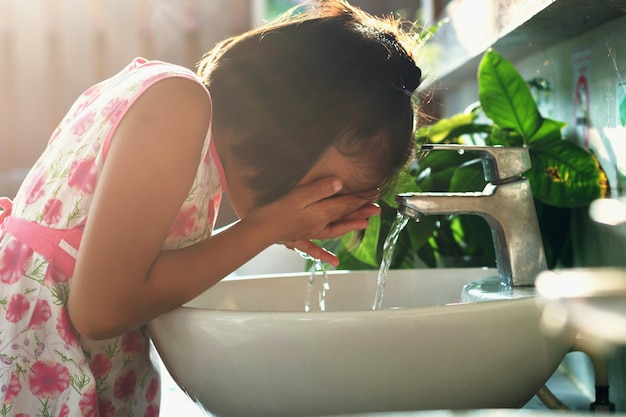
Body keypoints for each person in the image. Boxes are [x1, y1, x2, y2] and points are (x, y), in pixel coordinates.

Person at [0, 0, 422, 415]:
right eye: (330, 189)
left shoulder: (190, 131)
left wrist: (268, 227)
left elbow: (136, 273)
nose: (324, 209)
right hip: (33, 363)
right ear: (287, 127)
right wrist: (265, 226)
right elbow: (100, 310)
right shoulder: (178, 104)